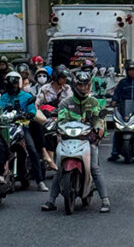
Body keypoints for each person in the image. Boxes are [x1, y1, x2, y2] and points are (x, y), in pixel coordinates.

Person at [42, 70, 110, 213]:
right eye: (80, 85)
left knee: (94, 168)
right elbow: (61, 119)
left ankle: (105, 200)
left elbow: (99, 118)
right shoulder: (66, 103)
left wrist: (99, 128)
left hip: (88, 139)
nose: (83, 88)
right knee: (60, 169)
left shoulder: (93, 102)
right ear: (74, 86)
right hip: (68, 139)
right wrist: (54, 126)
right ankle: (51, 200)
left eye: (86, 85)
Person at [0, 71, 48, 191]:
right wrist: (4, 109)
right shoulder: (4, 97)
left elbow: (32, 109)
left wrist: (29, 114)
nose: (13, 86)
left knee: (31, 148)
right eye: (10, 84)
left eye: (15, 83)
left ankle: (40, 181)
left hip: (23, 126)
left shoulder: (26, 96)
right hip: (7, 127)